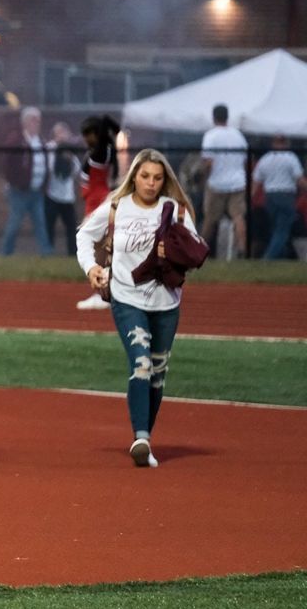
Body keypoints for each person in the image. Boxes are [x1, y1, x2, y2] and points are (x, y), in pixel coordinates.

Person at [76, 149, 199, 468]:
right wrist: (91, 269)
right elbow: (84, 236)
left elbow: (195, 250)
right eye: (145, 176)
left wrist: (174, 250)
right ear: (134, 176)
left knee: (157, 375)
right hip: (126, 297)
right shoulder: (118, 206)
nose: (151, 183)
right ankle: (140, 437)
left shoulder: (176, 211)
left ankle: (146, 437)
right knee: (141, 363)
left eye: (157, 178)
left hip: (166, 302)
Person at [75, 115, 121, 310]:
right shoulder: (100, 150)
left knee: (98, 248)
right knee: (100, 246)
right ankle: (105, 290)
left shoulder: (102, 151)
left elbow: (110, 126)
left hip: (97, 202)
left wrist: (104, 122)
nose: (85, 138)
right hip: (94, 201)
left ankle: (102, 292)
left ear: (97, 133)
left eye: (88, 134)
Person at [1, 106, 53, 256]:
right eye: (33, 120)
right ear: (24, 122)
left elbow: (45, 163)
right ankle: (5, 253)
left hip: (37, 192)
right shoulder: (16, 140)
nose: (36, 124)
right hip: (19, 192)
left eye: (38, 121)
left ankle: (46, 254)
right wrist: (15, 182)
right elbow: (7, 164)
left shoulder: (41, 141)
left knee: (41, 224)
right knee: (14, 224)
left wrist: (44, 184)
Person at [200, 104, 248, 258]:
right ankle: (242, 249)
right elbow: (245, 159)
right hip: (237, 182)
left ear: (214, 117)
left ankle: (201, 251)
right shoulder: (238, 135)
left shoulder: (211, 136)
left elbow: (208, 162)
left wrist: (205, 177)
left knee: (210, 219)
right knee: (238, 217)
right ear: (227, 117)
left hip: (216, 183)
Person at [251, 135, 305, 260]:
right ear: (286, 143)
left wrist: (250, 199)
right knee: (282, 230)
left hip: (269, 196)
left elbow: (256, 182)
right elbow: (299, 180)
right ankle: (268, 259)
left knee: (276, 229)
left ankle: (279, 258)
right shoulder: (291, 158)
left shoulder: (265, 159)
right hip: (286, 195)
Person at [44, 121, 78, 256]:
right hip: (52, 194)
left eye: (65, 133)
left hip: (67, 197)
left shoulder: (70, 150)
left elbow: (76, 169)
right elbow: (50, 168)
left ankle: (72, 253)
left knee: (71, 227)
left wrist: (68, 158)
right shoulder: (50, 148)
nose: (63, 136)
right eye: (60, 133)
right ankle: (48, 253)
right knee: (49, 226)